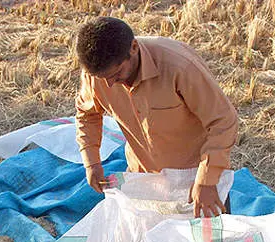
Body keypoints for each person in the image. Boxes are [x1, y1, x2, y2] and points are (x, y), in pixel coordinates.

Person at [74, 16, 239, 218]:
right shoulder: (98, 73)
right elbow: (87, 114)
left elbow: (223, 121)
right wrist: (91, 163)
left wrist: (207, 180)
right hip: (145, 179)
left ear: (133, 48)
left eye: (116, 74)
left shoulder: (179, 67)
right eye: (103, 79)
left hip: (196, 178)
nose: (109, 85)